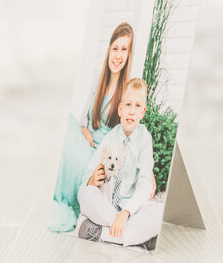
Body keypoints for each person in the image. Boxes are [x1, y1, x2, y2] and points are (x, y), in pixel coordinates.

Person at [49, 22, 134, 232]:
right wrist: (85, 129)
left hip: (97, 157)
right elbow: (82, 119)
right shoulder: (100, 79)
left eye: (124, 50)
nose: (118, 55)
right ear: (109, 50)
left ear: (129, 55)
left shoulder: (126, 91)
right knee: (67, 122)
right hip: (85, 142)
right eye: (115, 48)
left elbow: (124, 140)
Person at [77, 78, 163, 251]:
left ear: (143, 112)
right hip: (107, 207)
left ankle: (101, 233)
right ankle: (137, 239)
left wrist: (125, 213)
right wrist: (92, 180)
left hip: (130, 210)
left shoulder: (145, 139)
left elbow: (146, 184)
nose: (132, 111)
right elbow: (88, 176)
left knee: (158, 213)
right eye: (128, 105)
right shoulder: (110, 137)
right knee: (85, 193)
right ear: (120, 109)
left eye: (137, 106)